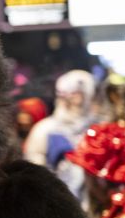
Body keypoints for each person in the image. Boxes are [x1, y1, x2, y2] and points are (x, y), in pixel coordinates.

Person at [23, 69, 97, 208]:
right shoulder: (45, 129)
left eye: (80, 95)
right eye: (74, 95)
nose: (77, 101)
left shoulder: (97, 128)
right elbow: (35, 174)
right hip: (59, 206)